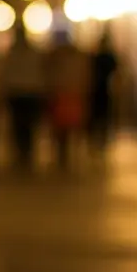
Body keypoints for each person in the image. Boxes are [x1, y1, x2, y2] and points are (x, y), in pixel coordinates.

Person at [1, 24, 47, 171]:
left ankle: (24, 154)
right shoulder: (23, 53)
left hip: (25, 93)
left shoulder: (14, 54)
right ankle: (23, 154)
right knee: (22, 126)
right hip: (23, 93)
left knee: (22, 126)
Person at [46, 28, 91, 171]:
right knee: (64, 128)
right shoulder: (73, 60)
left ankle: (66, 155)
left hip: (69, 96)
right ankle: (64, 155)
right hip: (65, 96)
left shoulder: (67, 60)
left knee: (67, 128)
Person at [88, 32, 118, 158]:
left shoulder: (98, 57)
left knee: (101, 115)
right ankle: (100, 137)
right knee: (102, 115)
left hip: (100, 89)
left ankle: (100, 137)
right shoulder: (103, 57)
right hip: (101, 89)